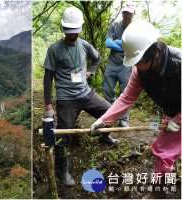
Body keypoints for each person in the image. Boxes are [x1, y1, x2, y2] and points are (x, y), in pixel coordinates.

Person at [90, 20, 181, 199]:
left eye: (139, 61)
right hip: (173, 112)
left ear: (155, 53)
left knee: (163, 151)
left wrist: (178, 121)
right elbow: (126, 98)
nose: (136, 66)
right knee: (163, 152)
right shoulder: (139, 71)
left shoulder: (178, 63)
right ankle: (160, 193)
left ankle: (158, 194)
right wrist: (104, 120)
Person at [43, 6, 120, 186]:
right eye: (69, 32)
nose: (72, 35)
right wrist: (48, 106)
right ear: (64, 29)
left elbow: (98, 58)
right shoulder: (54, 49)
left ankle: (104, 136)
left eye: (75, 32)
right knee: (63, 135)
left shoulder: (84, 45)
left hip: (86, 93)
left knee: (110, 112)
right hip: (66, 98)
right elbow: (48, 78)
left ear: (80, 29)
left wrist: (90, 72)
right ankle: (62, 171)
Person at [103, 2, 136, 127]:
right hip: (112, 64)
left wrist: (118, 42)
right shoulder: (114, 26)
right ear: (122, 13)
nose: (127, 15)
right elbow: (109, 44)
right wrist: (125, 46)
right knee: (107, 90)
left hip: (126, 65)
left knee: (125, 93)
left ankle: (123, 119)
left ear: (134, 13)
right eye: (125, 12)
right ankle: (111, 115)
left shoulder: (135, 29)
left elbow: (134, 48)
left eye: (129, 12)